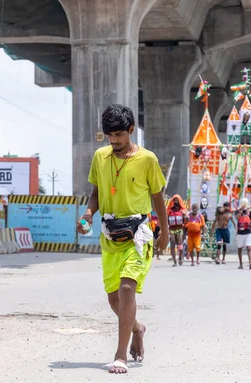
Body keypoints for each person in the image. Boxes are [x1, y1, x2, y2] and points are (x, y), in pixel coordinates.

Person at [76, 104, 168, 375]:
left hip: (139, 233)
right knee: (114, 299)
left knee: (128, 288)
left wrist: (165, 232)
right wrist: (88, 214)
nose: (114, 141)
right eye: (109, 136)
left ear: (131, 131)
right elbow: (95, 193)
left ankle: (120, 355)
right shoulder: (100, 157)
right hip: (110, 235)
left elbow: (158, 198)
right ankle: (137, 328)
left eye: (119, 135)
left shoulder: (147, 159)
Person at [167, 195, 187, 266]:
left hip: (179, 229)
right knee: (172, 243)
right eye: (174, 200)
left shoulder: (182, 210)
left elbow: (186, 221)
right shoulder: (170, 210)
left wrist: (185, 216)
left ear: (179, 201)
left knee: (180, 244)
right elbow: (166, 220)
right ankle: (175, 261)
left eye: (177, 200)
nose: (176, 201)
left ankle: (181, 257)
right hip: (172, 229)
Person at [235, 198, 251, 270]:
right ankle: (240, 264)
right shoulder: (237, 211)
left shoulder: (249, 211)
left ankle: (250, 263)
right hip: (240, 233)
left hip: (247, 232)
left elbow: (250, 220)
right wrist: (241, 210)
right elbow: (237, 218)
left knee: (249, 247)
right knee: (240, 248)